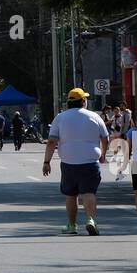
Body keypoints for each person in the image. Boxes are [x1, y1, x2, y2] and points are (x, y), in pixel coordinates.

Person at [42, 88, 110, 235]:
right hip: (90, 162)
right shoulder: (95, 116)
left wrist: (46, 162)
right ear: (83, 101)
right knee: (89, 192)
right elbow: (105, 138)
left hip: (68, 162)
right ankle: (91, 220)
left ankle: (72, 225)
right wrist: (103, 154)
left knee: (71, 194)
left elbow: (51, 142)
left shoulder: (60, 118)